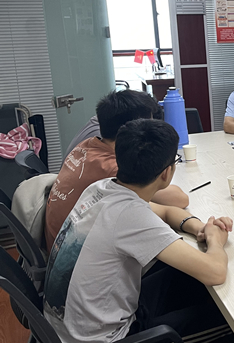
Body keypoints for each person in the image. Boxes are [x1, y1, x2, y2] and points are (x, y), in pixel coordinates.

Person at [44, 119, 234, 343]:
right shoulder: (129, 215)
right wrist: (215, 241)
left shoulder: (102, 188)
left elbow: (165, 211)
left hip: (71, 336)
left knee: (182, 276)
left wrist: (199, 227)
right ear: (167, 173)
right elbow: (215, 271)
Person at [45, 90, 188, 250]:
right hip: (74, 251)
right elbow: (179, 199)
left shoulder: (87, 145)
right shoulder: (111, 167)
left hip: (60, 243)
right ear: (134, 130)